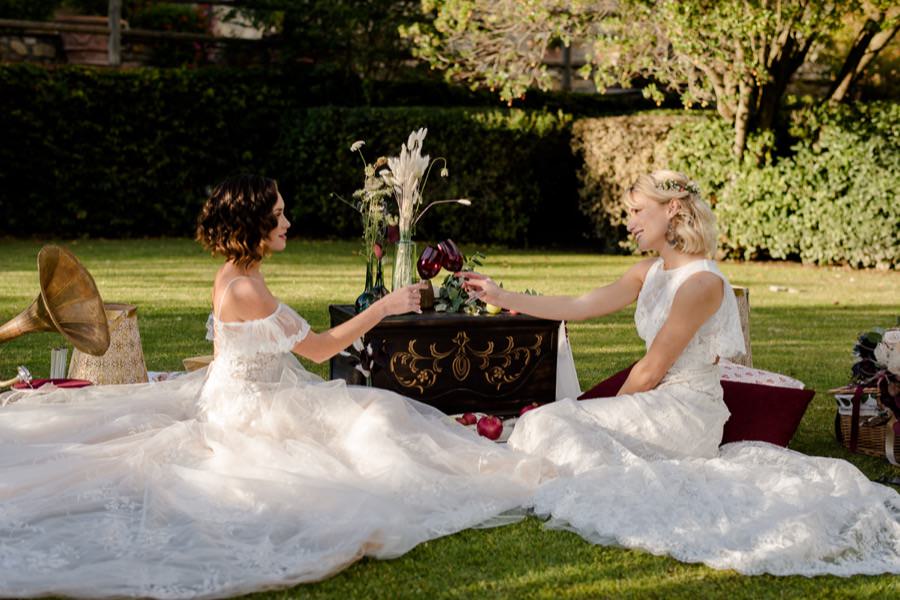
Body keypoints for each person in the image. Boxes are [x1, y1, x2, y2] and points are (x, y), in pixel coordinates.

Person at [0, 174, 545, 599]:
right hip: (248, 412)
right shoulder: (243, 287)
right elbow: (321, 349)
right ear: (254, 222)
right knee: (374, 420)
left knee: (374, 416)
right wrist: (386, 305)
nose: (288, 221)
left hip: (241, 393)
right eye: (279, 214)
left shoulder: (241, 271)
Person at [462, 169, 900, 576]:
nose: (629, 222)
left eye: (636, 211)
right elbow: (578, 307)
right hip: (655, 401)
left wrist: (588, 413)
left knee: (554, 422)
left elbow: (651, 370)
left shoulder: (701, 283)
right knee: (551, 422)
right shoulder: (647, 272)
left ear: (671, 209)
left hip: (686, 413)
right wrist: (501, 292)